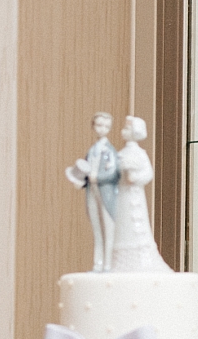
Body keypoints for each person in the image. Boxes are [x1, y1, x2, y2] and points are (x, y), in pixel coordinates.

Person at [112, 115, 172, 273]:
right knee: (123, 223)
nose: (123, 131)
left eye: (127, 128)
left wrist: (136, 178)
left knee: (137, 223)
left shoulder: (140, 154)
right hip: (122, 197)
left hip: (136, 196)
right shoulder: (120, 154)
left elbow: (148, 173)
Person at [66, 112, 121, 272]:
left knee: (108, 229)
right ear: (93, 126)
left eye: (106, 126)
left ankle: (108, 264)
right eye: (99, 125)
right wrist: (81, 182)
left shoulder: (110, 151)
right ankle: (98, 263)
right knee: (96, 228)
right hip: (92, 192)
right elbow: (86, 170)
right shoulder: (92, 151)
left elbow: (114, 173)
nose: (102, 129)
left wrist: (96, 177)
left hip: (106, 193)